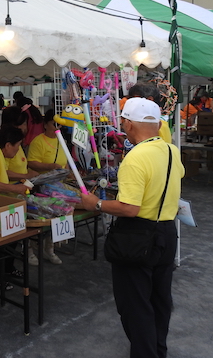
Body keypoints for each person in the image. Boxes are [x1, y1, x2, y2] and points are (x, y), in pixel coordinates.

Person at [81, 98, 184, 358]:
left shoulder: (136, 157)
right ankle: (158, 351)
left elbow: (129, 208)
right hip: (167, 233)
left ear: (127, 123)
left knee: (135, 306)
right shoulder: (170, 150)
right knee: (160, 301)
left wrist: (98, 203)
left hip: (138, 236)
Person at [26, 110, 68, 265]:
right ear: (45, 125)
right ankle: (30, 250)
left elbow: (67, 160)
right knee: (37, 218)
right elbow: (31, 162)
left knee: (57, 216)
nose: (57, 127)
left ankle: (49, 249)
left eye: (59, 124)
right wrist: (50, 166)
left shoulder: (61, 140)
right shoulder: (39, 141)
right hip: (41, 187)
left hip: (58, 186)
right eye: (54, 123)